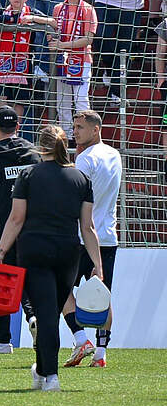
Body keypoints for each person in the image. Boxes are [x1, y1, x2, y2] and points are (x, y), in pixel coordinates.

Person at [0, 125, 102, 392]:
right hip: (68, 252)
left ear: (40, 148)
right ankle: (42, 371)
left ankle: (50, 376)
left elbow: (16, 218)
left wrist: (0, 252)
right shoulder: (80, 178)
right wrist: (97, 265)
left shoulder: (28, 174)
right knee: (50, 313)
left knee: (45, 314)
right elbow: (87, 227)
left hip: (34, 250)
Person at [0, 106, 38, 354]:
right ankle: (34, 317)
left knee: (1, 281)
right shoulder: (33, 153)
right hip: (31, 226)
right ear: (18, 126)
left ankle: (3, 340)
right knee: (31, 279)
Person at [63, 109, 121, 368]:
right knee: (102, 294)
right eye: (74, 127)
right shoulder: (115, 154)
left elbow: (75, 198)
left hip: (81, 236)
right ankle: (100, 353)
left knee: (60, 289)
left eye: (80, 127)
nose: (74, 132)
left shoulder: (86, 159)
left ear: (96, 129)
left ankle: (80, 339)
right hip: (108, 235)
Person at [50, 0, 97, 133]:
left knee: (81, 101)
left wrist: (62, 45)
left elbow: (88, 39)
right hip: (63, 60)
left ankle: (88, 135)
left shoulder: (88, 9)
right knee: (62, 103)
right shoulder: (58, 8)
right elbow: (53, 32)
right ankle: (69, 138)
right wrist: (51, 38)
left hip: (82, 59)